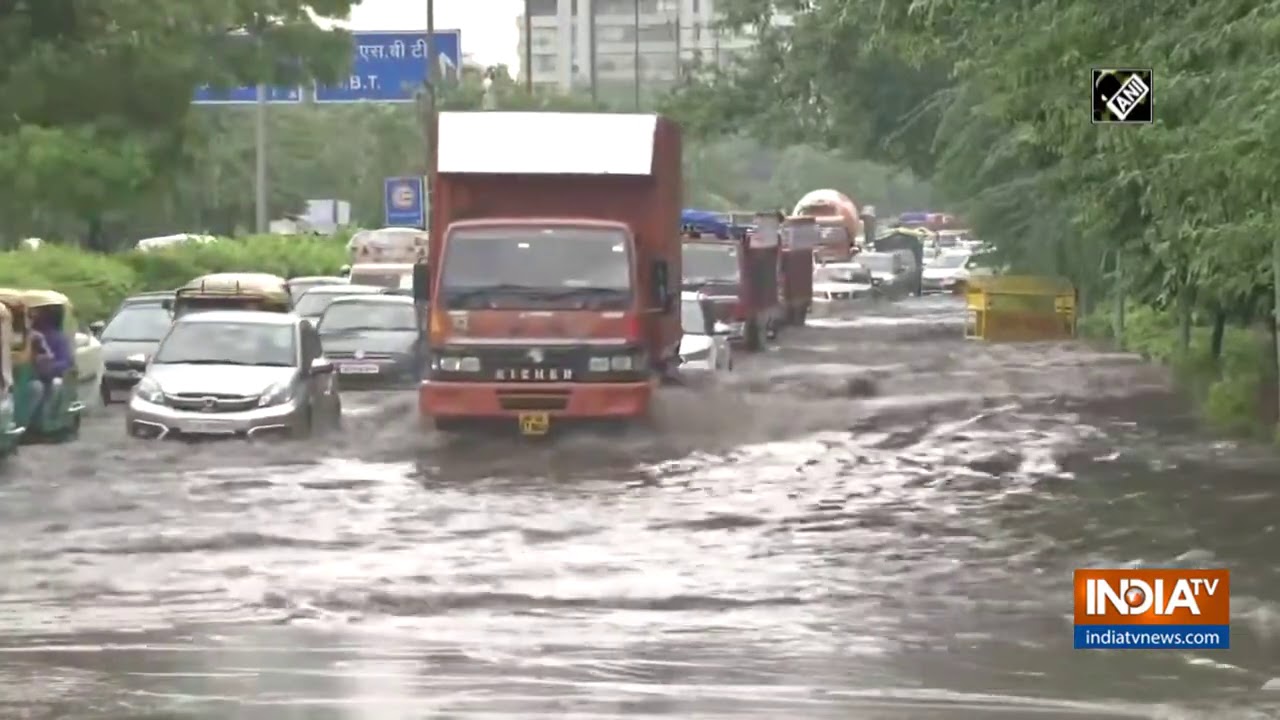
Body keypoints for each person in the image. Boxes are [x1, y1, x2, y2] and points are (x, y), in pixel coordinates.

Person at [29, 306, 72, 424]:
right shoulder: (27, 336)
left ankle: (45, 420)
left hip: (50, 376)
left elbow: (66, 361)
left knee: (54, 385)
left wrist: (50, 366)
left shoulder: (59, 338)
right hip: (28, 375)